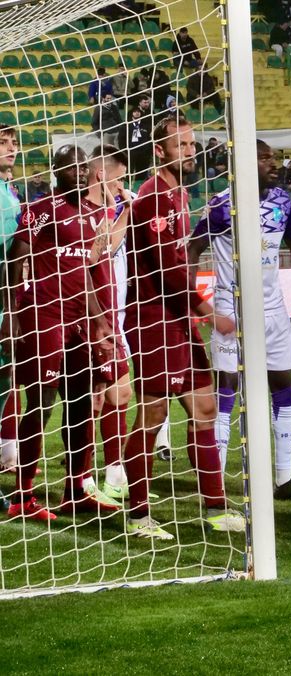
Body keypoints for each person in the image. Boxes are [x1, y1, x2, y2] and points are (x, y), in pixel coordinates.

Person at [122, 118, 245, 539]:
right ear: (161, 151)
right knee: (153, 416)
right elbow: (166, 268)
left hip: (177, 320)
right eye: (181, 145)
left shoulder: (179, 194)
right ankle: (139, 516)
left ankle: (214, 507)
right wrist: (207, 309)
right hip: (152, 320)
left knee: (205, 410)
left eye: (192, 144)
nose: (191, 151)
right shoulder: (154, 197)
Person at [190, 140, 291, 501]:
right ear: (246, 163)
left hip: (273, 310)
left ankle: (284, 479)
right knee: (225, 391)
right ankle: (214, 486)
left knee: (284, 385)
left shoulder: (282, 201)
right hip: (230, 310)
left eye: (274, 158)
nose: (274, 164)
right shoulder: (222, 205)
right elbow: (191, 250)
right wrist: (194, 305)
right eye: (265, 158)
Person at [5, 146, 119, 520]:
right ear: (56, 171)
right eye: (71, 168)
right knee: (42, 402)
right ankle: (23, 496)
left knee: (82, 401)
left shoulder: (91, 215)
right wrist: (11, 311)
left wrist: (99, 319)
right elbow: (16, 258)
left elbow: (81, 272)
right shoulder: (42, 209)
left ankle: (75, 489)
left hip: (77, 321)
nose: (80, 174)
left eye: (84, 168)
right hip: (44, 314)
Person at [84, 146, 138, 502]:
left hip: (112, 318)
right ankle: (84, 479)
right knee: (94, 399)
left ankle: (114, 472)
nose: (122, 184)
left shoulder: (107, 211)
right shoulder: (85, 213)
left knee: (120, 393)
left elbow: (111, 248)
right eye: (119, 178)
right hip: (92, 320)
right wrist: (122, 214)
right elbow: (93, 255)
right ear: (103, 175)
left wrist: (127, 210)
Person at [0, 126, 19, 478]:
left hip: (6, 298)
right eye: (3, 143)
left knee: (6, 379)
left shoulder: (9, 192)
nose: (11, 148)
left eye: (14, 143)